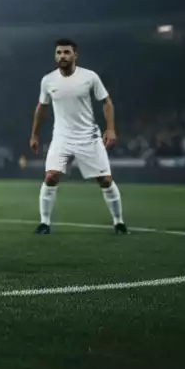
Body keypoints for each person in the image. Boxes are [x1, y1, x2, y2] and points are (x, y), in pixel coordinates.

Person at [29, 38, 125, 235]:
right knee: (50, 177)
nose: (62, 56)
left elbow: (106, 102)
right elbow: (41, 107)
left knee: (105, 180)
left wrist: (110, 129)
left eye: (66, 52)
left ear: (75, 55)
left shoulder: (89, 77)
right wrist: (34, 135)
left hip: (88, 137)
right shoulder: (48, 80)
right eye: (59, 53)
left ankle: (119, 223)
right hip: (62, 138)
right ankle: (44, 223)